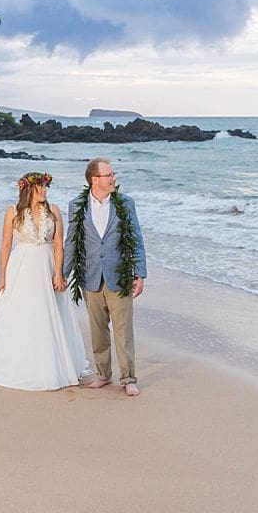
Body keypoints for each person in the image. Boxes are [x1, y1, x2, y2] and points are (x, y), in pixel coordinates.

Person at [0, 171, 88, 390]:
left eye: (45, 187)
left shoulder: (54, 211)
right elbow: (5, 245)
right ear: (28, 189)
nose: (44, 191)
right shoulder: (12, 212)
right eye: (40, 187)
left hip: (47, 266)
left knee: (49, 313)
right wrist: (2, 276)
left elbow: (59, 244)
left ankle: (53, 365)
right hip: (22, 268)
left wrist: (59, 273)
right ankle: (22, 365)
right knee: (24, 313)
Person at [63, 157, 147, 397]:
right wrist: (62, 274)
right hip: (90, 276)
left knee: (123, 331)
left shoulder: (125, 203)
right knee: (98, 330)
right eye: (109, 175)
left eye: (113, 174)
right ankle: (102, 374)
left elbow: (136, 239)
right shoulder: (77, 205)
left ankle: (128, 378)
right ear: (94, 179)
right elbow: (72, 242)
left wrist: (140, 274)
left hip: (119, 276)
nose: (113, 178)